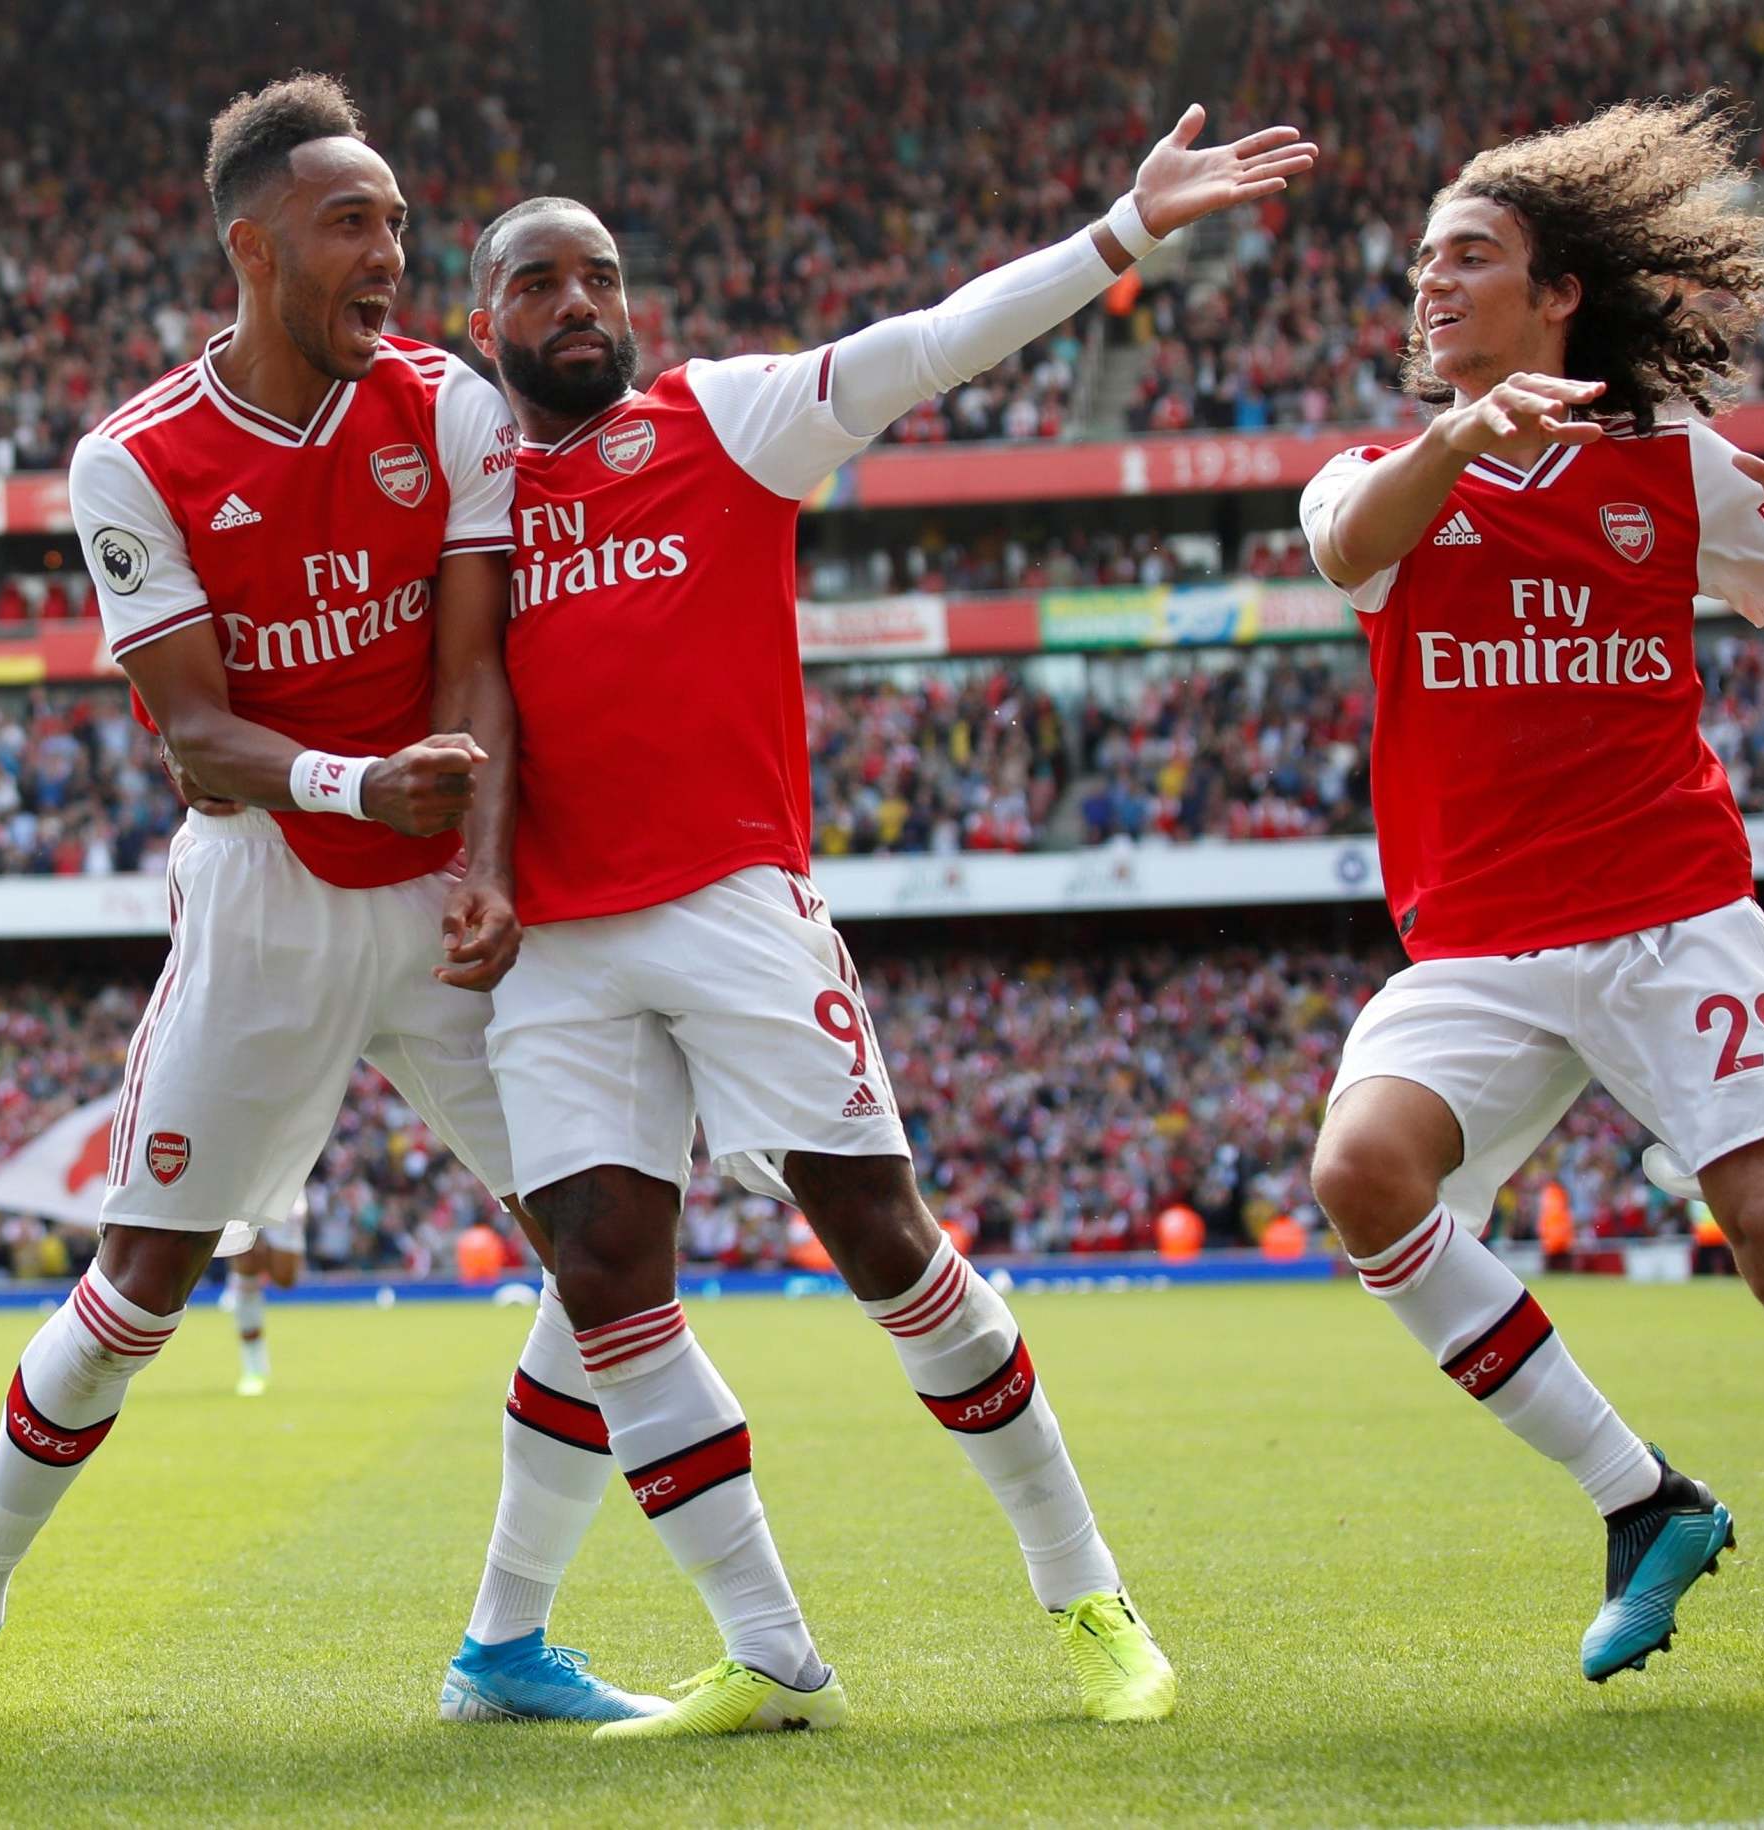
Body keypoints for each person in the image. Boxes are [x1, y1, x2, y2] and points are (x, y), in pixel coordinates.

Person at [452, 105, 1316, 1738]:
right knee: (609, 1285)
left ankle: (1089, 1600)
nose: (578, 305)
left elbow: (930, 346)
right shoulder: (469, 489)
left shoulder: (725, 420)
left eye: (602, 278)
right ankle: (770, 1656)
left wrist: (1116, 238)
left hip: (733, 905)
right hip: (554, 947)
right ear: (480, 319)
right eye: (538, 283)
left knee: (882, 1242)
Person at [0, 74, 662, 1731]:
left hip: (442, 900)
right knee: (138, 1286)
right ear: (255, 246)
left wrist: (485, 860)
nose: (390, 256)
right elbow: (199, 735)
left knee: (616, 1246)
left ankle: (505, 1641)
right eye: (352, 225)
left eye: (404, 230)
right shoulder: (131, 458)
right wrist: (364, 786)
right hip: (270, 895)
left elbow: (475, 667)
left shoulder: (447, 408)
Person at [1295, 95, 1764, 1719]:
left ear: (1560, 295)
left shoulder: (1674, 474)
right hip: (1481, 951)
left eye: (1473, 257)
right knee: (1359, 1173)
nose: (1432, 285)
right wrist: (1458, 439)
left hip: (1671, 914)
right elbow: (1346, 553)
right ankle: (1643, 1499)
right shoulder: (1376, 478)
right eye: (1422, 264)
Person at [223, 1197, 305, 1397]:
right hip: (245, 1184)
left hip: (284, 1185)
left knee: (285, 1278)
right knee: (246, 1259)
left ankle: (260, 1259)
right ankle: (254, 1369)